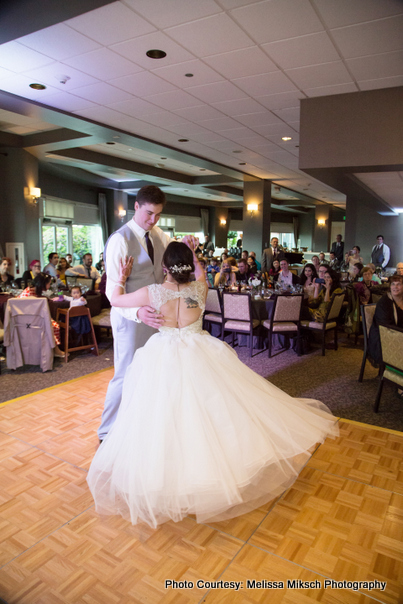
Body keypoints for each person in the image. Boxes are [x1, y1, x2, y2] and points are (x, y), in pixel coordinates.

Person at [87, 241, 339, 529]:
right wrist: (193, 255)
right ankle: (210, 473)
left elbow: (115, 300)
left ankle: (169, 478)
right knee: (210, 413)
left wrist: (119, 275)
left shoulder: (152, 293)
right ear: (187, 266)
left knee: (163, 417)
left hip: (163, 354)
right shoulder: (200, 289)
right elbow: (201, 271)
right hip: (200, 351)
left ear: (165, 268)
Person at [97, 185, 171, 443]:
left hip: (158, 318)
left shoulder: (160, 234)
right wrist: (139, 311)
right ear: (136, 206)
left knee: (153, 371)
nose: (153, 220)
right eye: (149, 213)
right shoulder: (119, 240)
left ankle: (140, 425)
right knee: (125, 373)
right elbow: (111, 293)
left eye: (158, 215)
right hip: (129, 319)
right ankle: (106, 432)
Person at [18, 272, 66, 358]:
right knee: (53, 325)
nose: (50, 285)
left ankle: (52, 349)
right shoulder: (29, 293)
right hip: (27, 321)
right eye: (48, 283)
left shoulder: (33, 290)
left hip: (30, 318)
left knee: (52, 323)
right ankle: (55, 349)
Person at [368, 275, 403, 365]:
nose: (395, 287)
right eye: (393, 284)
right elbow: (386, 327)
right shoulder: (384, 303)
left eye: (399, 284)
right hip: (384, 339)